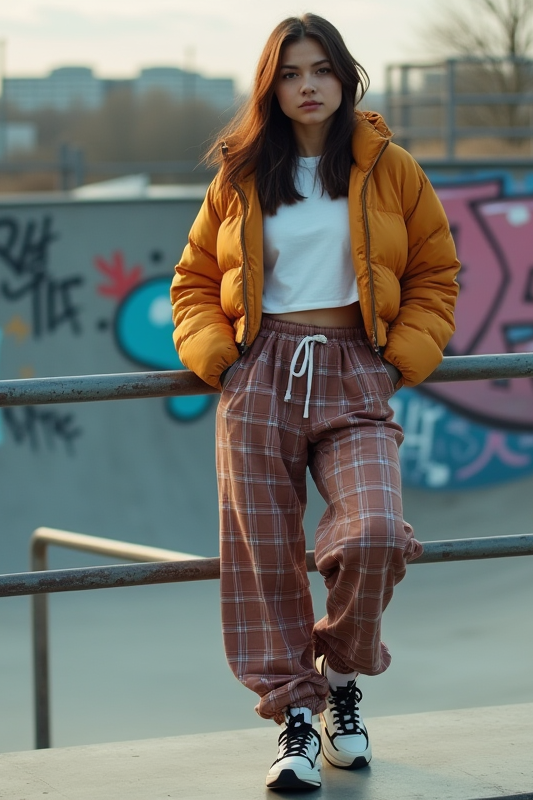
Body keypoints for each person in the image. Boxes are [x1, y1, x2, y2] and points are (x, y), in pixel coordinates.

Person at [170, 12, 459, 791]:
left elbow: (436, 269)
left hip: (355, 372)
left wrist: (402, 359)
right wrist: (218, 359)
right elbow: (194, 279)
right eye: (292, 72)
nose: (308, 86)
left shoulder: (387, 168)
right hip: (259, 374)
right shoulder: (238, 175)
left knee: (372, 534)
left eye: (321, 71)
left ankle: (339, 675)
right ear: (273, 84)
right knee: (264, 557)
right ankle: (297, 716)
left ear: (345, 78)